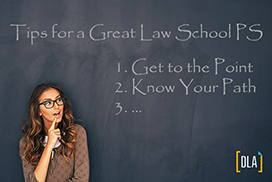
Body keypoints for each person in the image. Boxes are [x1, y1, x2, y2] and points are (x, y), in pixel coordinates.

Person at [19, 83, 89, 182]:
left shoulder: (76, 133)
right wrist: (48, 146)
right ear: (38, 111)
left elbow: (81, 179)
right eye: (48, 103)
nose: (56, 106)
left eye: (58, 100)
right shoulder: (27, 143)